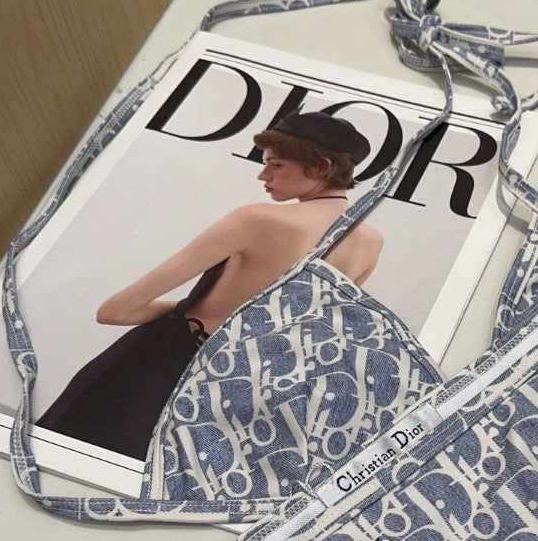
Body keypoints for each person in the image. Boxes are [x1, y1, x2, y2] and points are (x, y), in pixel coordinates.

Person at [36, 111, 382, 460]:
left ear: (321, 167)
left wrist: (186, 309)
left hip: (152, 373)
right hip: (227, 409)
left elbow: (113, 311)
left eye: (276, 165)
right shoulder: (370, 244)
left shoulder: (259, 219)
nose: (263, 175)